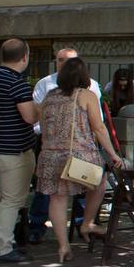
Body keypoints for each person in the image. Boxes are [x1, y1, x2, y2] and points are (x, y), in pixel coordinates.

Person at [35, 57, 124, 261]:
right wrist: (113, 154)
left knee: (57, 199)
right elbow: (99, 128)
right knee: (99, 183)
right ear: (85, 76)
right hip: (78, 155)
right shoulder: (86, 95)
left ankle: (63, 246)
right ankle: (87, 223)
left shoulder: (49, 96)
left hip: (50, 156)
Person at [27, 46, 101, 243]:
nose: (64, 64)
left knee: (82, 187)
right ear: (55, 61)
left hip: (78, 145)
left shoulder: (91, 86)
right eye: (60, 60)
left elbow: (96, 120)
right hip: (53, 145)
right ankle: (38, 225)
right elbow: (38, 119)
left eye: (68, 61)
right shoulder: (46, 85)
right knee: (49, 192)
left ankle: (79, 226)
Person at [0, 38, 41, 263]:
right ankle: (2, 248)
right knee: (12, 200)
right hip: (14, 150)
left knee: (0, 198)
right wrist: (40, 107)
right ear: (25, 56)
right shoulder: (17, 82)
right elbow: (30, 117)